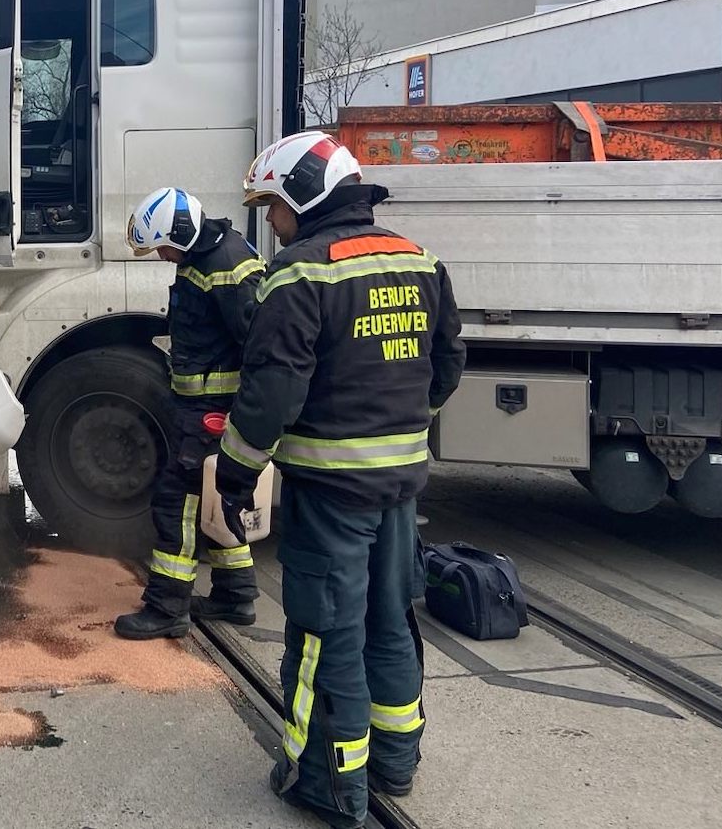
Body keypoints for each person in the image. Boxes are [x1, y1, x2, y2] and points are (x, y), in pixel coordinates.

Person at [215, 132, 464, 829]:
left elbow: (271, 395)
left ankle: (331, 785)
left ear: (305, 194)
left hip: (330, 493)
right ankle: (395, 762)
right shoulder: (420, 260)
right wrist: (404, 432)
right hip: (400, 487)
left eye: (272, 205)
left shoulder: (299, 274)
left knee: (327, 634)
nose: (269, 220)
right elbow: (446, 366)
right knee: (391, 620)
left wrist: (236, 474)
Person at [114, 186, 266, 640]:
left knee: (177, 505)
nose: (160, 254)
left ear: (181, 232)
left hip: (211, 411)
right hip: (203, 406)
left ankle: (167, 607)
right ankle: (235, 595)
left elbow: (258, 343)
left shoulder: (226, 270)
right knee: (218, 501)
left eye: (162, 245)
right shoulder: (207, 256)